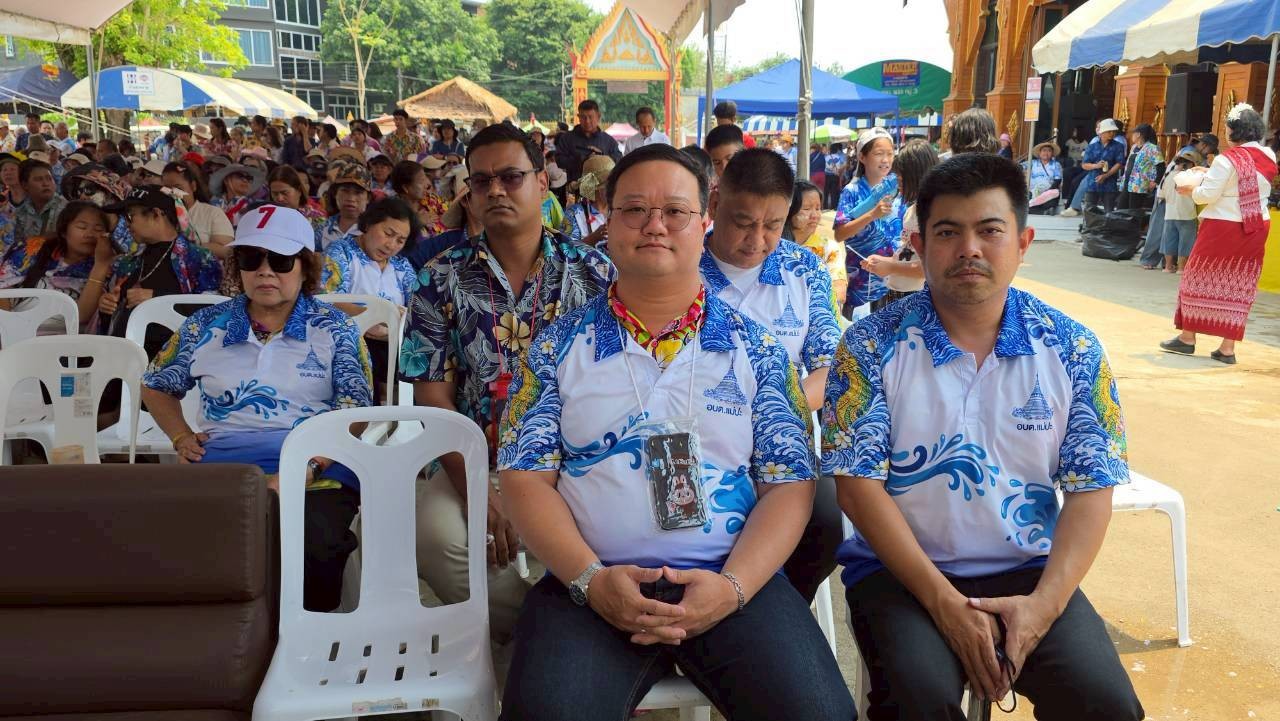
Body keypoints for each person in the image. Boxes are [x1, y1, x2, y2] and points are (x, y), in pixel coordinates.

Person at [497, 143, 853, 720]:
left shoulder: (759, 351)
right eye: (635, 209)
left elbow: (789, 486)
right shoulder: (555, 348)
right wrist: (590, 580)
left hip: (727, 580)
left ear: (704, 219)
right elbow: (524, 478)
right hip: (591, 585)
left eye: (675, 211)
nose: (655, 225)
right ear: (608, 219)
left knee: (821, 715)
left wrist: (734, 588)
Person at [823, 152, 1145, 721]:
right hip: (902, 573)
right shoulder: (870, 345)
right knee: (919, 701)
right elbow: (857, 487)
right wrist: (944, 604)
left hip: (1029, 570)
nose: (968, 249)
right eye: (948, 232)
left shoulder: (1072, 348)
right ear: (919, 246)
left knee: (1107, 705)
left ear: (1023, 243)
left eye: (989, 231)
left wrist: (1042, 608)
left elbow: (1093, 489)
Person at [399, 123, 614, 658]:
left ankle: (566, 639)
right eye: (482, 181)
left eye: (511, 177)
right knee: (435, 537)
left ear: (542, 182)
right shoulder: (437, 279)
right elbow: (432, 398)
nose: (495, 190)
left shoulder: (596, 274)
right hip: (479, 459)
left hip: (582, 459)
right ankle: (545, 635)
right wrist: (479, 489)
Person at [141, 203, 373, 613]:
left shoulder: (333, 328)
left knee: (314, 543)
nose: (266, 272)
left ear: (305, 267)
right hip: (223, 464)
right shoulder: (205, 325)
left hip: (316, 465)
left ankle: (302, 638)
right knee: (184, 542)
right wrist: (179, 436)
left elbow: (354, 414)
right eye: (251, 259)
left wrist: (307, 467)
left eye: (281, 261)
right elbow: (156, 385)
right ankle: (224, 637)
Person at [699, 148, 843, 605]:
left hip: (783, 441)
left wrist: (774, 406)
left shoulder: (804, 270)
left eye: (773, 225)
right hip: (699, 437)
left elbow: (829, 367)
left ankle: (778, 605)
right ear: (715, 203)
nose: (757, 240)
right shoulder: (682, 266)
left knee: (828, 521)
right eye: (743, 222)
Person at [1160, 104, 1276, 365]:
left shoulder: (1227, 159)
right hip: (1256, 225)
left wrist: (1191, 189)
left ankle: (1188, 337)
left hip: (1224, 224)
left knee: (1197, 277)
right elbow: (1242, 179)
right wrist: (1209, 173)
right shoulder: (1268, 154)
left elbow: (1208, 195)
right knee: (1239, 283)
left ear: (1233, 131)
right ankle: (1227, 347)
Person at [97, 186, 222, 348]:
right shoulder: (127, 262)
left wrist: (159, 299)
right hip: (125, 353)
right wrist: (107, 308)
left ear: (156, 214)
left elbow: (215, 312)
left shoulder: (198, 259)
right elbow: (113, 321)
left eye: (130, 216)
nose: (126, 223)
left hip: (175, 357)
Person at [323, 197, 419, 399]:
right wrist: (373, 316)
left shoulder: (401, 265)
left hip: (393, 344)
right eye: (388, 234)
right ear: (368, 224)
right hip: (349, 342)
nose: (391, 245)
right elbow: (327, 298)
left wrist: (394, 325)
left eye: (400, 240)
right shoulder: (342, 251)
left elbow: (417, 307)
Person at [0, 201, 112, 330]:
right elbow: (3, 292)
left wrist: (100, 264)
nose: (90, 234)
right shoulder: (31, 251)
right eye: (82, 227)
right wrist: (8, 327)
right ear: (64, 231)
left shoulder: (108, 268)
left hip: (65, 338)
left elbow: (81, 316)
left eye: (98, 230)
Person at [834, 127, 902, 319]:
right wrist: (872, 214)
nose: (886, 160)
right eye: (879, 154)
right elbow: (840, 234)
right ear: (862, 157)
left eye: (890, 154)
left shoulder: (899, 188)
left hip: (897, 283)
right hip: (863, 286)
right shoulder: (852, 191)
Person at [862, 138, 936, 310]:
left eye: (902, 175)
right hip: (898, 291)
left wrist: (891, 266)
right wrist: (885, 263)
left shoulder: (934, 214)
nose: (898, 180)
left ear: (917, 175)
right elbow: (909, 254)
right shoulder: (913, 210)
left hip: (917, 297)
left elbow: (932, 268)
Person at [788, 180, 847, 306]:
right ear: (789, 210)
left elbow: (839, 292)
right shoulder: (775, 244)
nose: (815, 215)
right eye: (807, 208)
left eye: (818, 208)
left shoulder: (828, 248)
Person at [162, 160, 234, 259]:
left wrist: (186, 248)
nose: (172, 193)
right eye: (167, 189)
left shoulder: (213, 213)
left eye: (178, 188)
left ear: (193, 186)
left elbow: (226, 251)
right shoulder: (160, 215)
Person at [1155, 149, 1202, 272]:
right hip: (1187, 214)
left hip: (1169, 213)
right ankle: (1181, 268)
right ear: (1190, 164)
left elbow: (1161, 195)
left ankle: (1168, 267)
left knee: (1169, 240)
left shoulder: (1168, 176)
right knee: (1186, 242)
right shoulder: (1193, 177)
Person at [555, 99, 621, 185]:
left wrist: (601, 157)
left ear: (598, 116)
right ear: (578, 117)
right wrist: (582, 160)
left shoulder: (608, 140)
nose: (587, 121)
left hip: (602, 188)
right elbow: (559, 161)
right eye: (583, 117)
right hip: (576, 187)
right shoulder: (567, 138)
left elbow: (619, 159)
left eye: (590, 117)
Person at [316, 159, 372, 251]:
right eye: (345, 191)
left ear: (368, 198)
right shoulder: (322, 229)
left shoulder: (373, 231)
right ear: (335, 194)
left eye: (358, 193)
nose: (351, 198)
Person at [13, 159, 67, 246]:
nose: (46, 183)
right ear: (25, 185)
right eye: (38, 179)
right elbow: (17, 246)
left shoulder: (67, 209)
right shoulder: (21, 213)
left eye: (49, 178)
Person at [562, 154, 612, 247]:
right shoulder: (573, 214)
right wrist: (593, 238)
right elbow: (565, 250)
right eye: (610, 186)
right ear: (596, 189)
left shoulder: (620, 210)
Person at [390, 159, 448, 236]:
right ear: (405, 188)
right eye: (421, 181)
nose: (426, 185)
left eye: (425, 179)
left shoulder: (431, 199)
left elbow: (451, 214)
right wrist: (416, 223)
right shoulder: (393, 210)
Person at [1079, 118, 1125, 214]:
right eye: (1109, 131)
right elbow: (1084, 165)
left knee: (1109, 211)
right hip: (1093, 182)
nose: (1112, 133)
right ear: (1102, 132)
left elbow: (1119, 164)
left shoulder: (1118, 146)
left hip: (1109, 183)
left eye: (1113, 131)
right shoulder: (1092, 146)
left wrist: (1105, 176)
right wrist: (1096, 166)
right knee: (1089, 211)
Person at [268, 164, 327, 231]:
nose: (279, 198)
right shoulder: (264, 217)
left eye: (285, 193)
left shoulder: (317, 219)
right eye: (275, 194)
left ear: (299, 191)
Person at [209, 162, 267, 227]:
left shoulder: (255, 206)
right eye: (240, 176)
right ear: (226, 180)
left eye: (249, 178)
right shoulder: (213, 203)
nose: (245, 180)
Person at [1120, 123, 1161, 210]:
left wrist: (1155, 182)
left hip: (1139, 185)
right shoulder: (1134, 147)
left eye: (1133, 133)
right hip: (1127, 183)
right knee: (1121, 208)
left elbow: (1160, 165)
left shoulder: (1152, 148)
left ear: (1138, 134)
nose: (1132, 136)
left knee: (1134, 211)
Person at [1026, 140, 1064, 214]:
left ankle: (1035, 207)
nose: (1046, 153)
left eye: (1049, 151)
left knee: (1054, 195)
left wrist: (1046, 192)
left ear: (1052, 154)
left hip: (1048, 194)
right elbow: (1019, 167)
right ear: (1039, 153)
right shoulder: (1032, 163)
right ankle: (1043, 211)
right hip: (1033, 193)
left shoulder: (1056, 164)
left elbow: (1058, 180)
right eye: (1044, 150)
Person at [823, 143, 846, 210]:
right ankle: (834, 206)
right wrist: (839, 170)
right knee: (834, 192)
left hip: (827, 176)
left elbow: (824, 166)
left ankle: (825, 206)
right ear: (836, 150)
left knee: (826, 192)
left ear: (830, 150)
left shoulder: (826, 157)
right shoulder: (839, 157)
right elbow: (844, 164)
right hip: (835, 176)